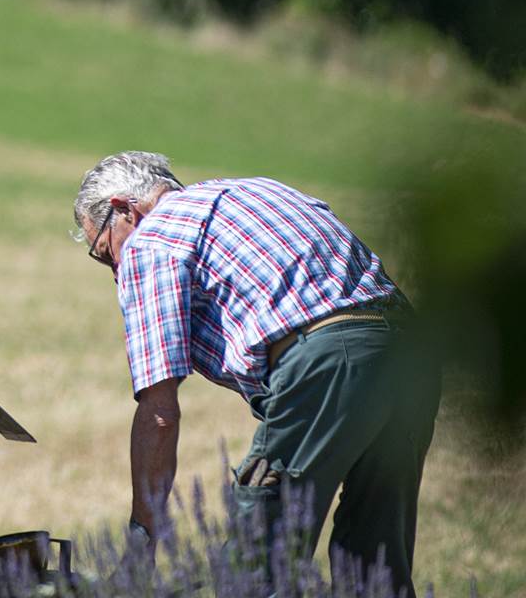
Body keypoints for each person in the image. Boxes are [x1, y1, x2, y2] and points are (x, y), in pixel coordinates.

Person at [73, 151, 439, 595]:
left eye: (103, 252)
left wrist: (142, 541)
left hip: (326, 363)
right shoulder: (256, 191)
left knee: (255, 564)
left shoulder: (152, 241)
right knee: (376, 566)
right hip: (410, 354)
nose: (114, 271)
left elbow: (160, 411)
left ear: (124, 209)